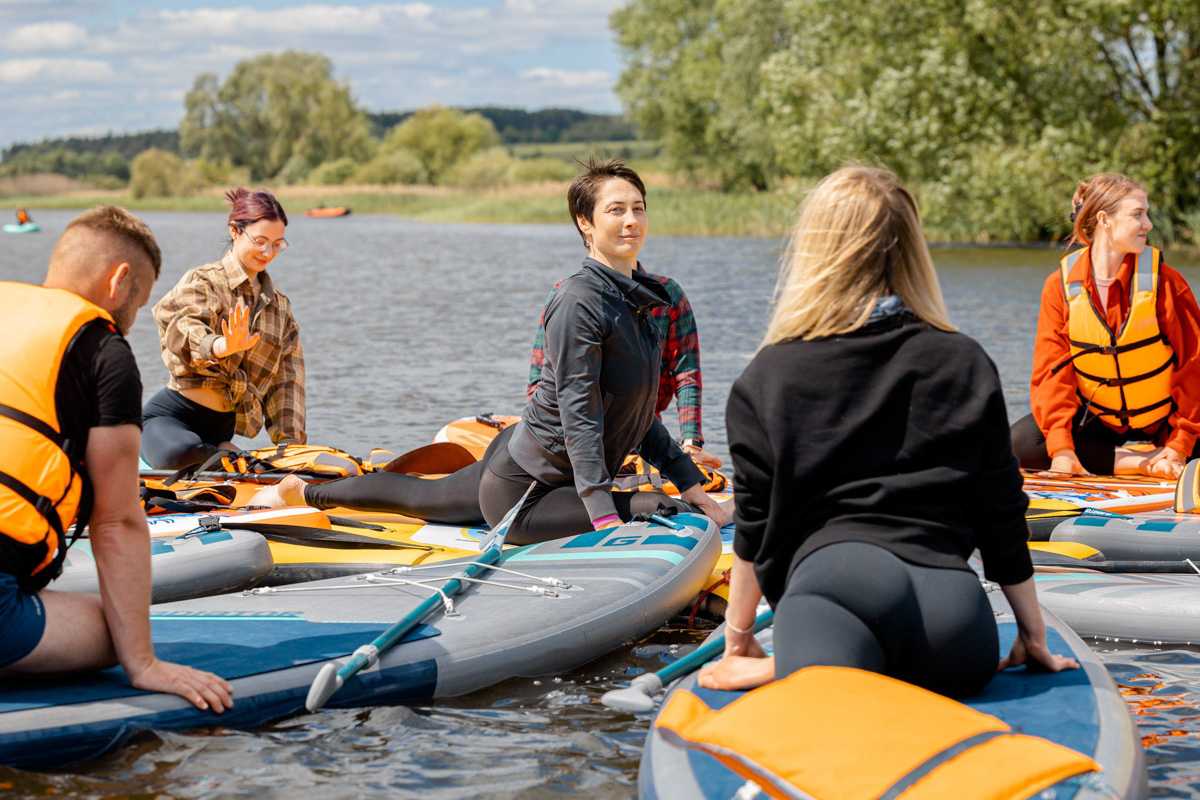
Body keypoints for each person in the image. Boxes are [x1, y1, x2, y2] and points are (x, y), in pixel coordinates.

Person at [699, 167, 1077, 697]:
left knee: (831, 691)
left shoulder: (769, 374)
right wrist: (1033, 635)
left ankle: (784, 668)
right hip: (955, 624)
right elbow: (1000, 513)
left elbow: (755, 528)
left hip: (831, 605)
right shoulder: (964, 360)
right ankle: (812, 665)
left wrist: (738, 640)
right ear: (911, 250)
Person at [254, 157, 727, 544]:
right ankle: (303, 494)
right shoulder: (579, 300)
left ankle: (304, 490)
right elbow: (579, 410)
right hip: (528, 493)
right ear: (585, 222)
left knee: (420, 497)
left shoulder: (643, 298)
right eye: (616, 210)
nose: (631, 221)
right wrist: (605, 516)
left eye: (639, 208)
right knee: (656, 507)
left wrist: (691, 483)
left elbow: (640, 414)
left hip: (528, 461)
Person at [0, 206, 233, 712]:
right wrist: (143, 663)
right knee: (113, 629)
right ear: (119, 280)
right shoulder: (102, 350)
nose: (127, 324)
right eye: (137, 306)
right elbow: (117, 523)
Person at [1010, 174, 1200, 479]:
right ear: (1104, 220)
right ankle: (1145, 463)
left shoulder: (1167, 282)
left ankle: (1165, 457)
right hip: (1101, 417)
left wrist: (1179, 446)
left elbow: (1194, 369)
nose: (1149, 224)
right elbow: (1051, 375)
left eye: (1146, 213)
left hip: (1168, 418)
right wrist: (1062, 451)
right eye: (1138, 214)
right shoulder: (1059, 287)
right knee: (1021, 444)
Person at [142, 188, 305, 470]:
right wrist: (223, 346)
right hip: (172, 420)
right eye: (261, 241)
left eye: (277, 244)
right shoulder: (203, 281)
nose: (268, 252)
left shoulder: (280, 309)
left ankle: (229, 455)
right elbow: (187, 331)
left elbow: (287, 384)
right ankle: (230, 458)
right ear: (234, 231)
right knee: (182, 453)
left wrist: (293, 452)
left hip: (222, 427)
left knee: (278, 465)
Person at [527, 265, 721, 468]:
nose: (628, 230)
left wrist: (691, 445)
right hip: (575, 442)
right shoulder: (567, 294)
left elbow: (686, 375)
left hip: (643, 438)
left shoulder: (668, 294)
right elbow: (538, 379)